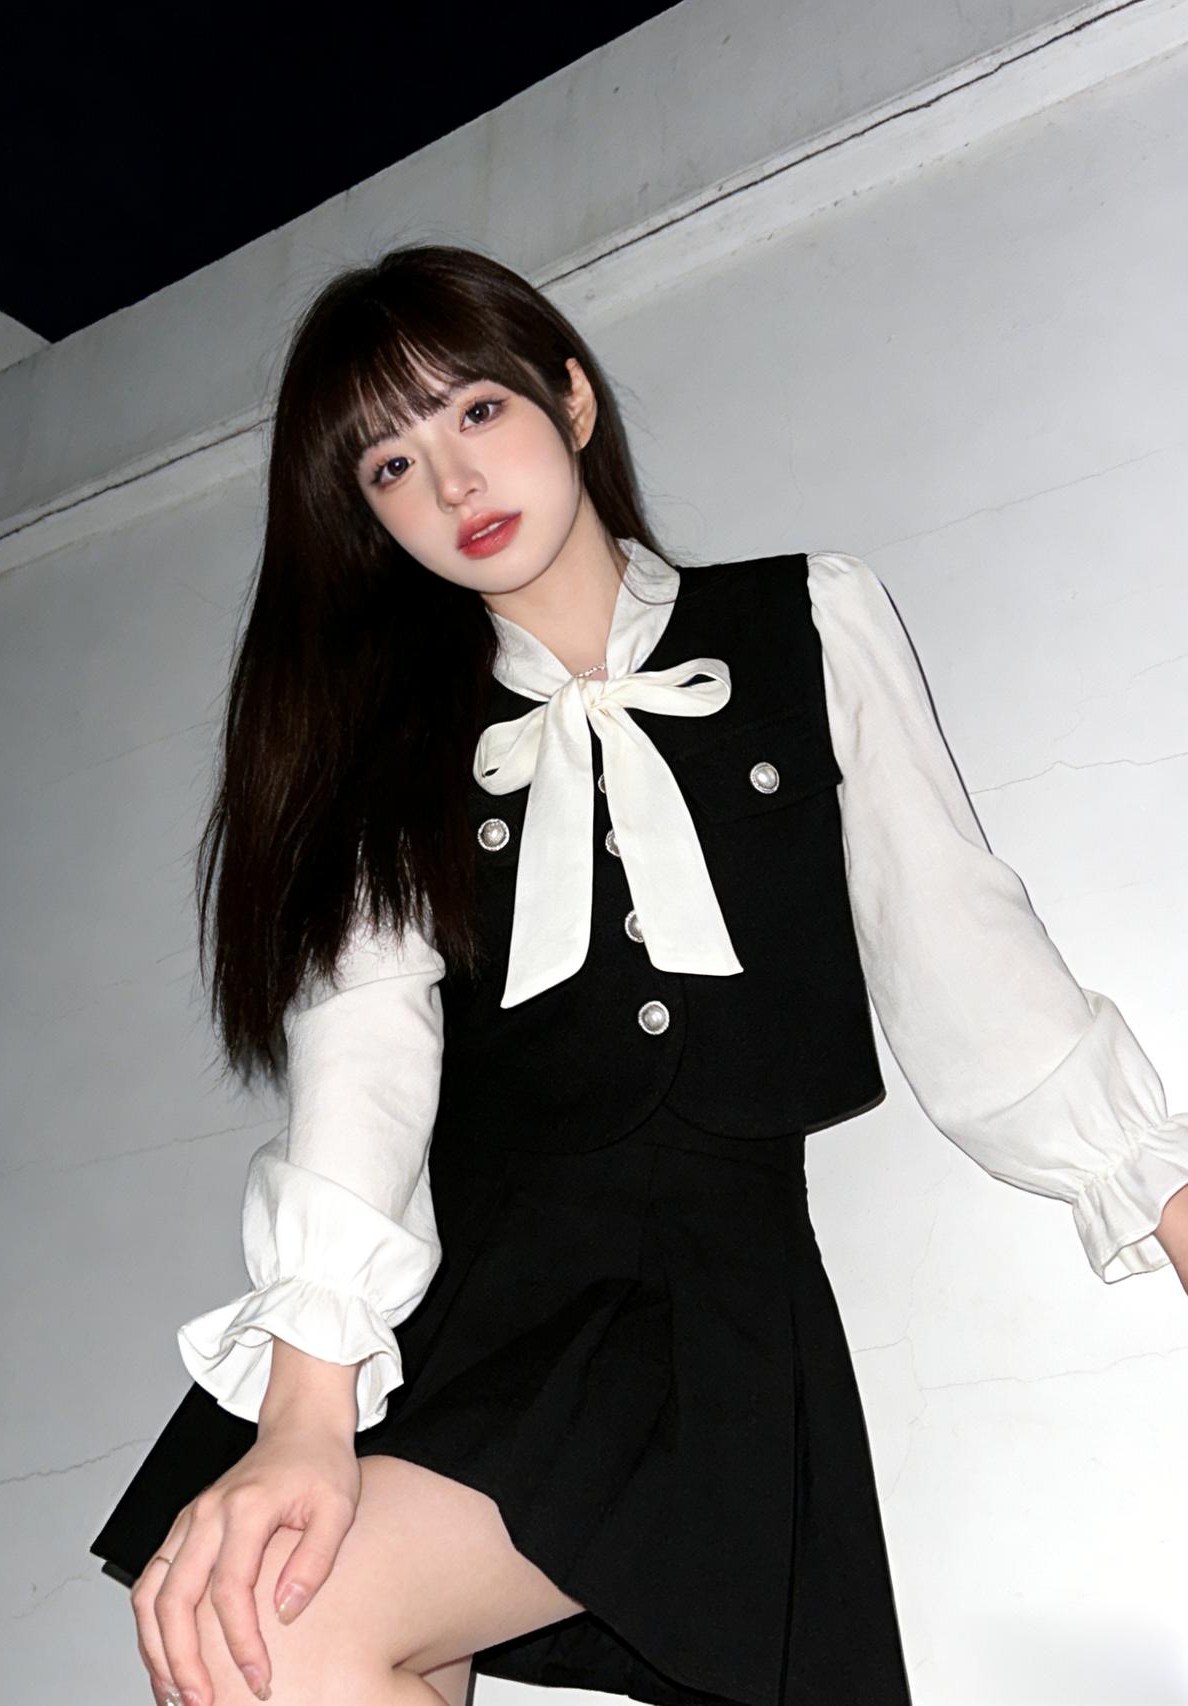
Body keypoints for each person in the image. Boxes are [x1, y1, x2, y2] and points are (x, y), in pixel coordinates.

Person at [88, 243, 1188, 1706]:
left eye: (477, 411)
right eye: (392, 466)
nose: (453, 482)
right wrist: (306, 1407)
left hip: (697, 1308)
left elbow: (957, 939)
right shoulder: (390, 750)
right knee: (245, 1639)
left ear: (572, 398)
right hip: (458, 1309)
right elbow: (361, 1058)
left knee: (266, 1626)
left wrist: (1152, 1181)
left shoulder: (801, 627)